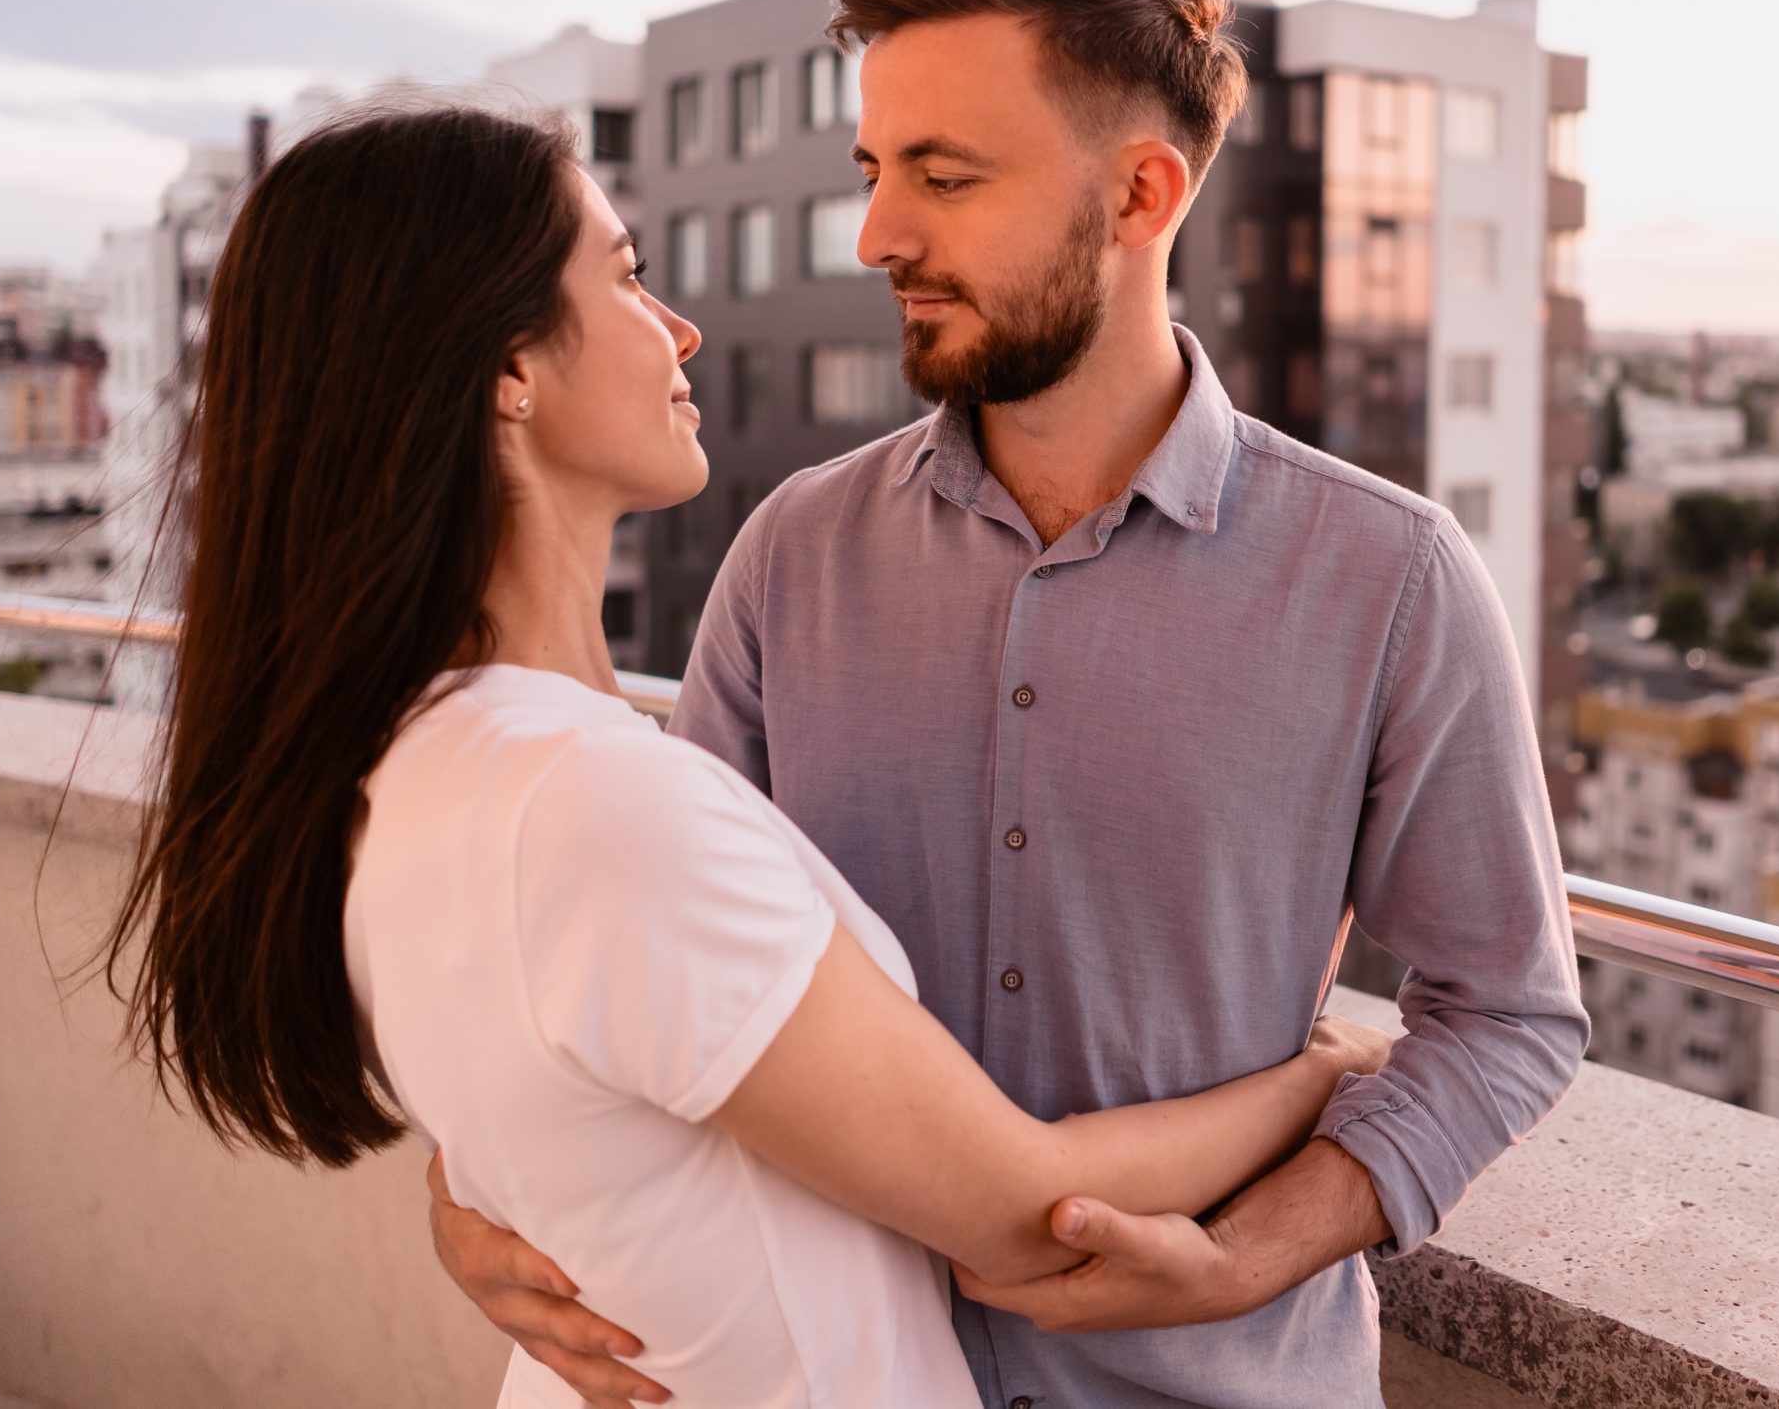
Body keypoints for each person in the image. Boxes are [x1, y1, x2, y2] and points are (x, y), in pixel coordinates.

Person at [429, 0, 1589, 1409]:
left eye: (945, 176)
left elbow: (1505, 1015)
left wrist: (1242, 1260)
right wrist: (470, 1181)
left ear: (1140, 193)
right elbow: (623, 953)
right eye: (872, 172)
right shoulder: (791, 555)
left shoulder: (1391, 579)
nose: (878, 235)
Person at [101, 98, 1401, 1408]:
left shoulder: (405, 764)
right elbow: (1031, 1212)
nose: (681, 327)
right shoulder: (601, 802)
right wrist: (1322, 1077)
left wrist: (478, 1190)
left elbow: (582, 1079)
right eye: (626, 275)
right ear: (506, 370)